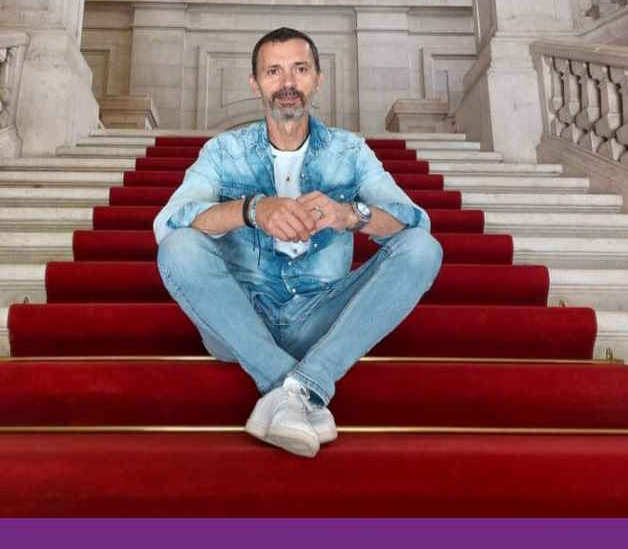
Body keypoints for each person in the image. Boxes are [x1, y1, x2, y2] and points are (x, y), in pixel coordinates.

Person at [153, 28, 443, 458]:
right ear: (255, 83)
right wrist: (251, 210)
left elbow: (414, 221)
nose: (287, 83)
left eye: (300, 69)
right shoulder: (223, 151)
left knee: (423, 248)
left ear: (317, 79)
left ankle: (294, 392)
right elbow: (169, 221)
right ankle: (307, 393)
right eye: (273, 71)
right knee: (178, 248)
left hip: (320, 316)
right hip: (237, 315)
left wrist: (350, 215)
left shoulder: (351, 151)